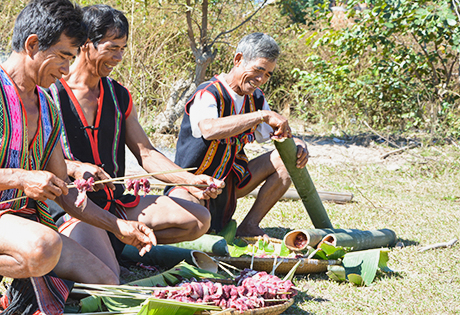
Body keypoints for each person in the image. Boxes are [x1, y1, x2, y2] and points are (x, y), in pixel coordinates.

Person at [0, 1, 156, 314]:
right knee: (44, 247)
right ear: (33, 45)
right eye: (63, 56)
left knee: (106, 282)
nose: (67, 69)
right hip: (18, 226)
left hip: (28, 224)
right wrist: (19, 177)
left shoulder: (46, 106)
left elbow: (67, 192)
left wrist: (117, 227)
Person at [48, 4, 224, 277]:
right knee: (109, 277)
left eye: (123, 49)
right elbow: (41, 158)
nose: (119, 57)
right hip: (74, 205)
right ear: (85, 44)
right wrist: (74, 167)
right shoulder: (50, 93)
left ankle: (115, 241)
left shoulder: (119, 95)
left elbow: (146, 153)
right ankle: (89, 244)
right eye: (112, 47)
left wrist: (189, 179)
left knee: (198, 219)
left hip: (114, 202)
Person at [166, 32, 309, 237]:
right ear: (238, 60)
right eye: (258, 70)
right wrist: (260, 116)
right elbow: (209, 129)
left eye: (268, 74)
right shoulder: (208, 92)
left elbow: (276, 134)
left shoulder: (256, 98)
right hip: (192, 185)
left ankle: (249, 225)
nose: (261, 79)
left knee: (287, 159)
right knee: (190, 219)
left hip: (230, 185)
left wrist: (298, 143)